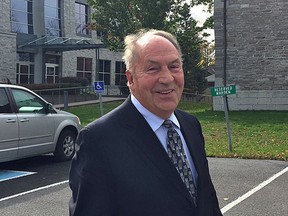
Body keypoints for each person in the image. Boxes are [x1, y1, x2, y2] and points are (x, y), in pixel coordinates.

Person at [69, 29, 223, 216]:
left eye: (174, 66)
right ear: (131, 79)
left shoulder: (190, 125)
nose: (167, 78)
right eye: (153, 69)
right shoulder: (98, 140)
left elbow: (208, 200)